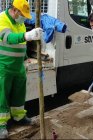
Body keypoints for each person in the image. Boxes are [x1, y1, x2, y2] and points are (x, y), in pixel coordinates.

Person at [0, 0, 43, 138]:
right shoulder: (2, 19)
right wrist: (28, 35)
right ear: (15, 10)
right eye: (22, 14)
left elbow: (21, 43)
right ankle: (1, 124)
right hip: (4, 65)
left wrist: (25, 57)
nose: (23, 17)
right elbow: (8, 38)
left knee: (19, 92)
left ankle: (19, 117)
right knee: (2, 95)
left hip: (18, 66)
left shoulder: (20, 23)